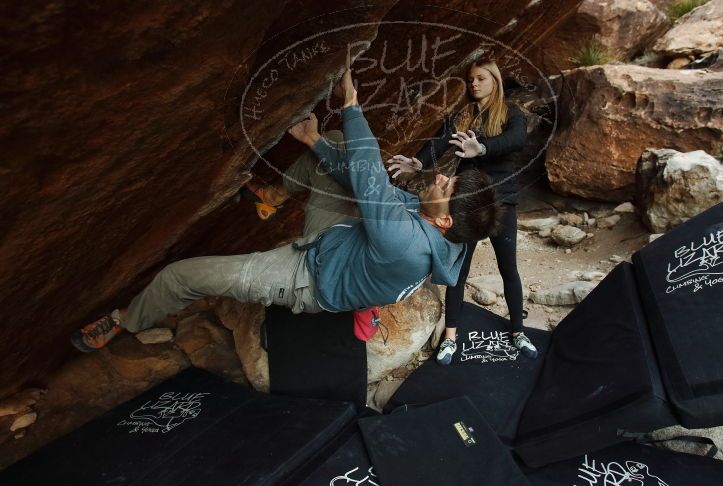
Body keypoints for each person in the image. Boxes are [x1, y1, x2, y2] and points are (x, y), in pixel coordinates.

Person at [71, 63, 501, 352]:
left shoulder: (407, 241)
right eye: (451, 175)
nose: (442, 177)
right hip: (347, 243)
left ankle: (126, 320)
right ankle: (272, 200)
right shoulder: (448, 234)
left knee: (180, 275)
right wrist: (313, 141)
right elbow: (361, 181)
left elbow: (370, 171)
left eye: (448, 185)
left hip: (308, 279)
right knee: (332, 147)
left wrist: (351, 103)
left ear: (443, 219)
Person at [387, 58, 536, 365]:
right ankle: (450, 337)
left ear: (494, 80)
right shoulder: (464, 115)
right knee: (459, 271)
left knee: (508, 268)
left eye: (481, 78)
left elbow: (516, 139)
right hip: (466, 204)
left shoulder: (511, 113)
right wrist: (418, 163)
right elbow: (439, 142)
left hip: (501, 201)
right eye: (471, 79)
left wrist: (481, 149)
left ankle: (518, 332)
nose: (474, 84)